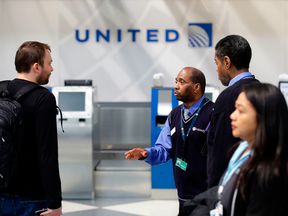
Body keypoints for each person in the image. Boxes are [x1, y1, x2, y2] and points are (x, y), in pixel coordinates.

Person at [125, 67, 214, 212]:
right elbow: (164, 149)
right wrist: (146, 153)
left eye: (182, 82)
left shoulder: (213, 114)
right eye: (176, 81)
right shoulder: (174, 115)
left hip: (206, 196)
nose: (176, 86)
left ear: (196, 87)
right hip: (182, 195)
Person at [0, 42, 62, 216]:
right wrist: (55, 203)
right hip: (31, 196)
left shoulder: (1, 90)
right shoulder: (43, 98)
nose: (52, 69)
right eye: (49, 63)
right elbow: (47, 155)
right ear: (36, 67)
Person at [212, 83, 288, 216]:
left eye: (240, 111)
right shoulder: (242, 149)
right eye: (235, 109)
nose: (232, 116)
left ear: (263, 117)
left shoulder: (269, 174)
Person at [207, 35, 260, 188]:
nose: (216, 69)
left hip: (230, 186)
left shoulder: (228, 97)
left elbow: (221, 151)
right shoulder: (262, 91)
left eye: (217, 63)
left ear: (227, 62)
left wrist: (213, 194)